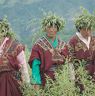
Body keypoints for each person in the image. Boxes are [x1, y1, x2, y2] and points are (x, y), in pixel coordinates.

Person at [28, 13, 68, 89]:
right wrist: (36, 82)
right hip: (45, 79)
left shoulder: (63, 45)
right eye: (49, 27)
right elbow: (35, 65)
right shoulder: (38, 45)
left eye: (54, 27)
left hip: (61, 79)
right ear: (45, 28)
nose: (51, 30)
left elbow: (67, 63)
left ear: (58, 29)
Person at [0, 17, 30, 96]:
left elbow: (23, 66)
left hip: (13, 84)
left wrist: (27, 84)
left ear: (3, 29)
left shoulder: (15, 45)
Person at [68, 13, 95, 93]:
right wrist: (72, 76)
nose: (88, 31)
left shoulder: (93, 39)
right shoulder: (73, 41)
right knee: (82, 91)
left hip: (93, 70)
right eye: (85, 29)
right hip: (80, 71)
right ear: (80, 29)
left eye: (89, 28)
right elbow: (70, 60)